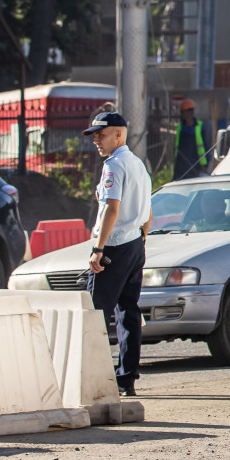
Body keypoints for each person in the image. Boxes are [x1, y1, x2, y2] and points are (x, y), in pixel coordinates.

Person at [83, 111, 152, 397]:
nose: (97, 140)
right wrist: (141, 237)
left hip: (114, 246)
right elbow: (148, 211)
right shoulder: (138, 164)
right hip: (135, 243)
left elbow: (111, 208)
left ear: (119, 134)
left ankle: (91, 380)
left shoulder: (114, 166)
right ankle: (127, 380)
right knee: (128, 313)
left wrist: (99, 248)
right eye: (95, 136)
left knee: (94, 313)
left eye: (102, 134)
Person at [173, 99, 209, 179]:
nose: (181, 114)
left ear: (190, 112)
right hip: (181, 163)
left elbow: (204, 145)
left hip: (195, 163)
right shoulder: (180, 127)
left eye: (183, 112)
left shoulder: (199, 126)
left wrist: (205, 165)